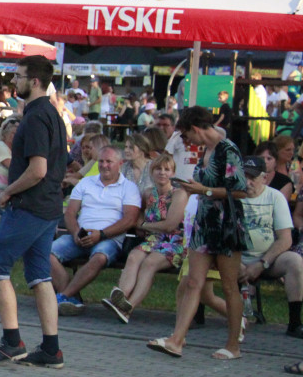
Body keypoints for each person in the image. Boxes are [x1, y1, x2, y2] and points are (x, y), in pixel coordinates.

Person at [0, 55, 68, 369]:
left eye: (19, 76)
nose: (13, 82)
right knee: (40, 276)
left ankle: (12, 342)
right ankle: (51, 348)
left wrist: (8, 190)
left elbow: (38, 169)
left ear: (36, 81)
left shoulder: (36, 116)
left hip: (29, 207)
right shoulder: (53, 114)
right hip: (48, 208)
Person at [147, 106, 248, 360]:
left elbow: (240, 192)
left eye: (185, 135)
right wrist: (195, 190)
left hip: (225, 225)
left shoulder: (228, 149)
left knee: (228, 286)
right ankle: (176, 340)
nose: (185, 141)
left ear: (195, 129)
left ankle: (233, 345)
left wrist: (204, 190)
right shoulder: (207, 150)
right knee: (193, 281)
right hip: (204, 222)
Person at [51, 146, 141, 315]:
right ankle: (71, 299)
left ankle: (62, 296)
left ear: (120, 163)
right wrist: (76, 232)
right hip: (80, 235)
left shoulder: (129, 188)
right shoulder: (86, 182)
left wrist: (102, 234)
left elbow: (130, 219)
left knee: (99, 257)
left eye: (109, 162)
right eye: (101, 161)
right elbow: (70, 213)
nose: (104, 165)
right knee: (47, 253)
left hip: (109, 239)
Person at [103, 152, 188, 323]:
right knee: (134, 256)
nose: (162, 173)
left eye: (167, 169)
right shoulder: (148, 193)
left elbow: (170, 225)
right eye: (158, 169)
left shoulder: (179, 194)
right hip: (153, 240)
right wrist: (141, 223)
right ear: (151, 171)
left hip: (174, 241)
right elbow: (139, 213)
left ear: (172, 173)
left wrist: (144, 226)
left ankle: (128, 308)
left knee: (150, 263)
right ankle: (120, 296)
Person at [233, 156, 303, 338]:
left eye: (253, 178)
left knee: (294, 261)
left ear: (264, 178)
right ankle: (197, 317)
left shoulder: (275, 197)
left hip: (267, 259)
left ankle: (295, 323)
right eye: (244, 176)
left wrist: (262, 263)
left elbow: (285, 239)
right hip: (234, 258)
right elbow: (220, 237)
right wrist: (236, 261)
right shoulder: (230, 197)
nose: (247, 182)